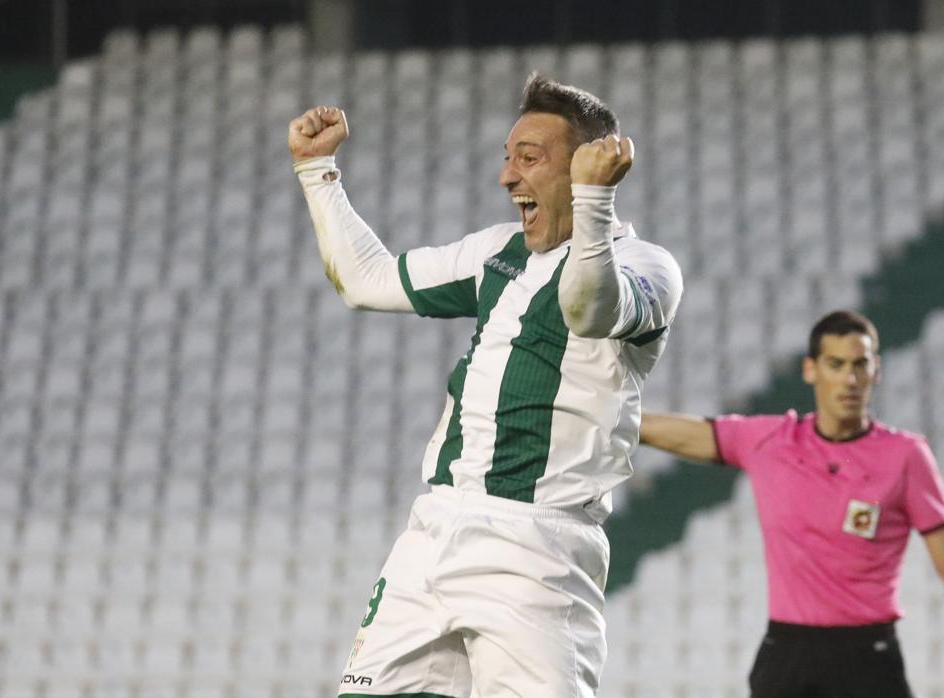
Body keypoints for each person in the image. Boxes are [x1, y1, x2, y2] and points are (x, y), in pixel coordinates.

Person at [289, 74, 683, 697]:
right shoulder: (497, 251)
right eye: (508, 159)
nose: (507, 178)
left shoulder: (646, 267)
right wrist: (318, 171)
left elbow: (588, 310)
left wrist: (591, 203)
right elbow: (364, 281)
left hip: (538, 549)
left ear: (585, 168)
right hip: (436, 529)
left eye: (529, 159)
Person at [640, 310, 944, 698]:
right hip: (787, 655)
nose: (849, 379)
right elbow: (684, 433)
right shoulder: (770, 441)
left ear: (876, 370)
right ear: (810, 369)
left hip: (869, 658)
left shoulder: (906, 456)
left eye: (860, 364)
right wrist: (616, 419)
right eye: (836, 364)